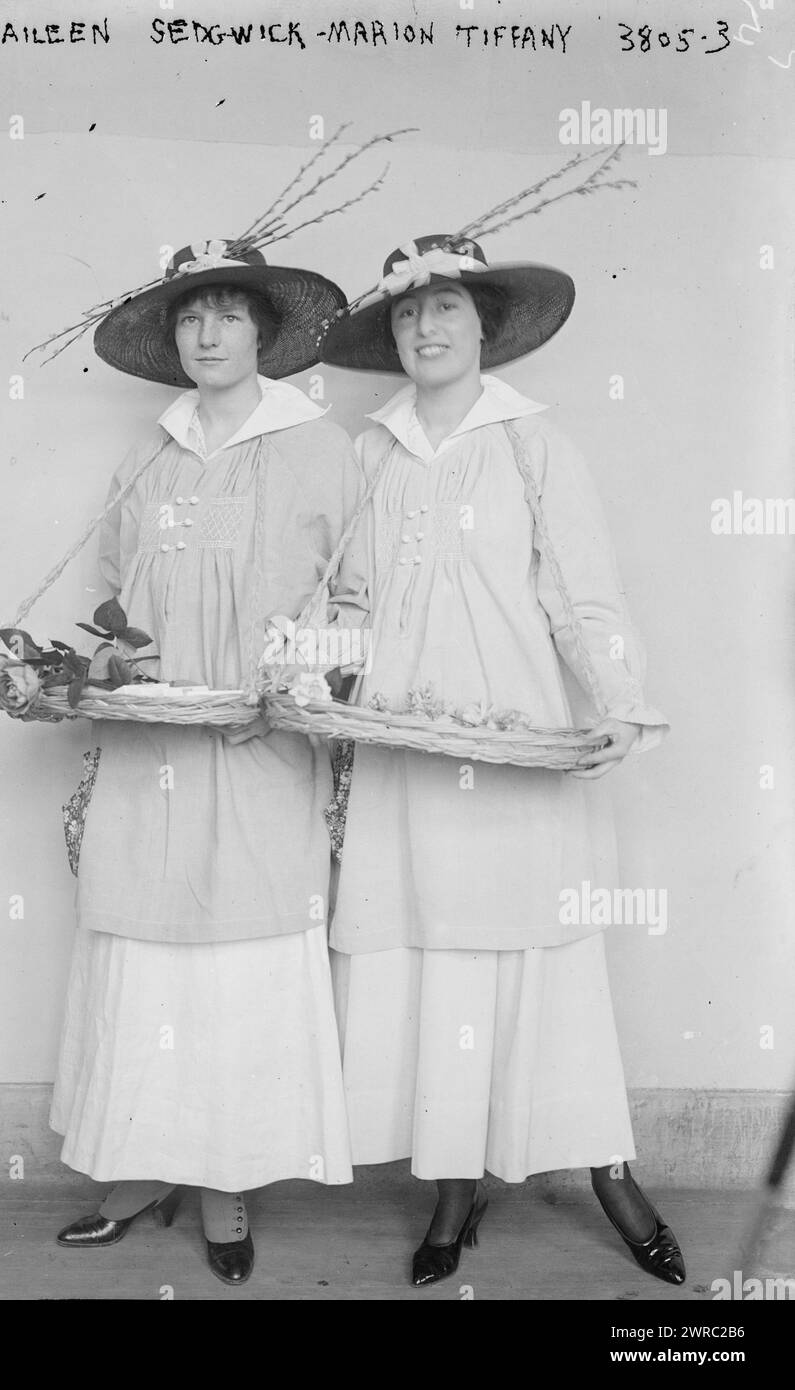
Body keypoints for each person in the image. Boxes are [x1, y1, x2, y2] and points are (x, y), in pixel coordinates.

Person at [321, 233, 686, 1288]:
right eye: (406, 314)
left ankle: (610, 1172)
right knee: (433, 955)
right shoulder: (369, 451)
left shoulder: (533, 444)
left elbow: (582, 594)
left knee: (534, 950)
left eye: (446, 310)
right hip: (405, 742)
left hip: (514, 736)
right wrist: (319, 676)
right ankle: (452, 1184)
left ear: (485, 326)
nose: (425, 329)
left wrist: (620, 699)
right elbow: (346, 598)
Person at [50, 239, 360, 1285]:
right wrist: (99, 663)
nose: (208, 334)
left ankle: (226, 1182)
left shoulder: (316, 446)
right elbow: (114, 595)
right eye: (191, 318)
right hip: (149, 749)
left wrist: (296, 682)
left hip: (258, 748)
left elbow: (353, 601)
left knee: (235, 961)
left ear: (264, 332)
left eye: (228, 313)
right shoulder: (149, 454)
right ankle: (135, 1169)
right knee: (144, 955)